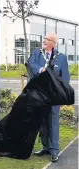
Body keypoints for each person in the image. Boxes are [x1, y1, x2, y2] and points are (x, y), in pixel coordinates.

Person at [27, 32, 70, 162]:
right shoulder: (37, 53)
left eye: (47, 39)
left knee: (53, 124)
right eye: (44, 38)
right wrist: (40, 69)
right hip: (39, 96)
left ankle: (54, 150)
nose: (44, 41)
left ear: (53, 43)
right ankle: (45, 147)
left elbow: (65, 78)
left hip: (54, 97)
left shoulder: (61, 57)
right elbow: (30, 63)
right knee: (42, 123)